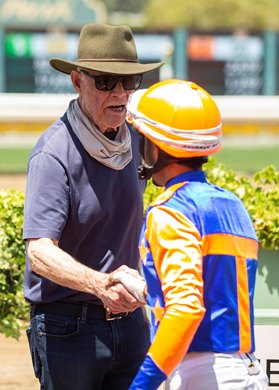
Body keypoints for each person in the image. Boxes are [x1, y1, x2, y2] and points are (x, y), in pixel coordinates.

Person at [23, 23, 163, 390]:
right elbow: (39, 253)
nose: (119, 92)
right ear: (76, 80)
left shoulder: (138, 138)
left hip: (131, 321)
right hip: (67, 328)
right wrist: (101, 286)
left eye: (129, 81)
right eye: (104, 81)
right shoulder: (53, 153)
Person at [120, 79, 269, 389]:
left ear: (155, 146)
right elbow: (213, 291)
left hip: (200, 374)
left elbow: (186, 308)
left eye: (140, 137)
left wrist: (141, 385)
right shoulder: (232, 205)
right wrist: (145, 290)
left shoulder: (169, 211)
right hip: (247, 371)